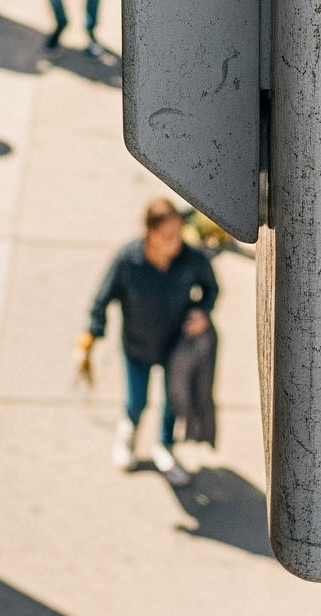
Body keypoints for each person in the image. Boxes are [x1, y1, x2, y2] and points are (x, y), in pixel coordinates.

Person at [79, 198, 218, 483]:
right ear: (148, 232)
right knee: (136, 400)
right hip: (137, 347)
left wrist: (202, 312)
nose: (174, 243)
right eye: (167, 236)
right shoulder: (128, 261)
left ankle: (165, 446)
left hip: (176, 348)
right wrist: (91, 335)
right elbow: (102, 299)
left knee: (173, 401)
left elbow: (211, 288)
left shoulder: (191, 260)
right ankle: (127, 436)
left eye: (178, 234)